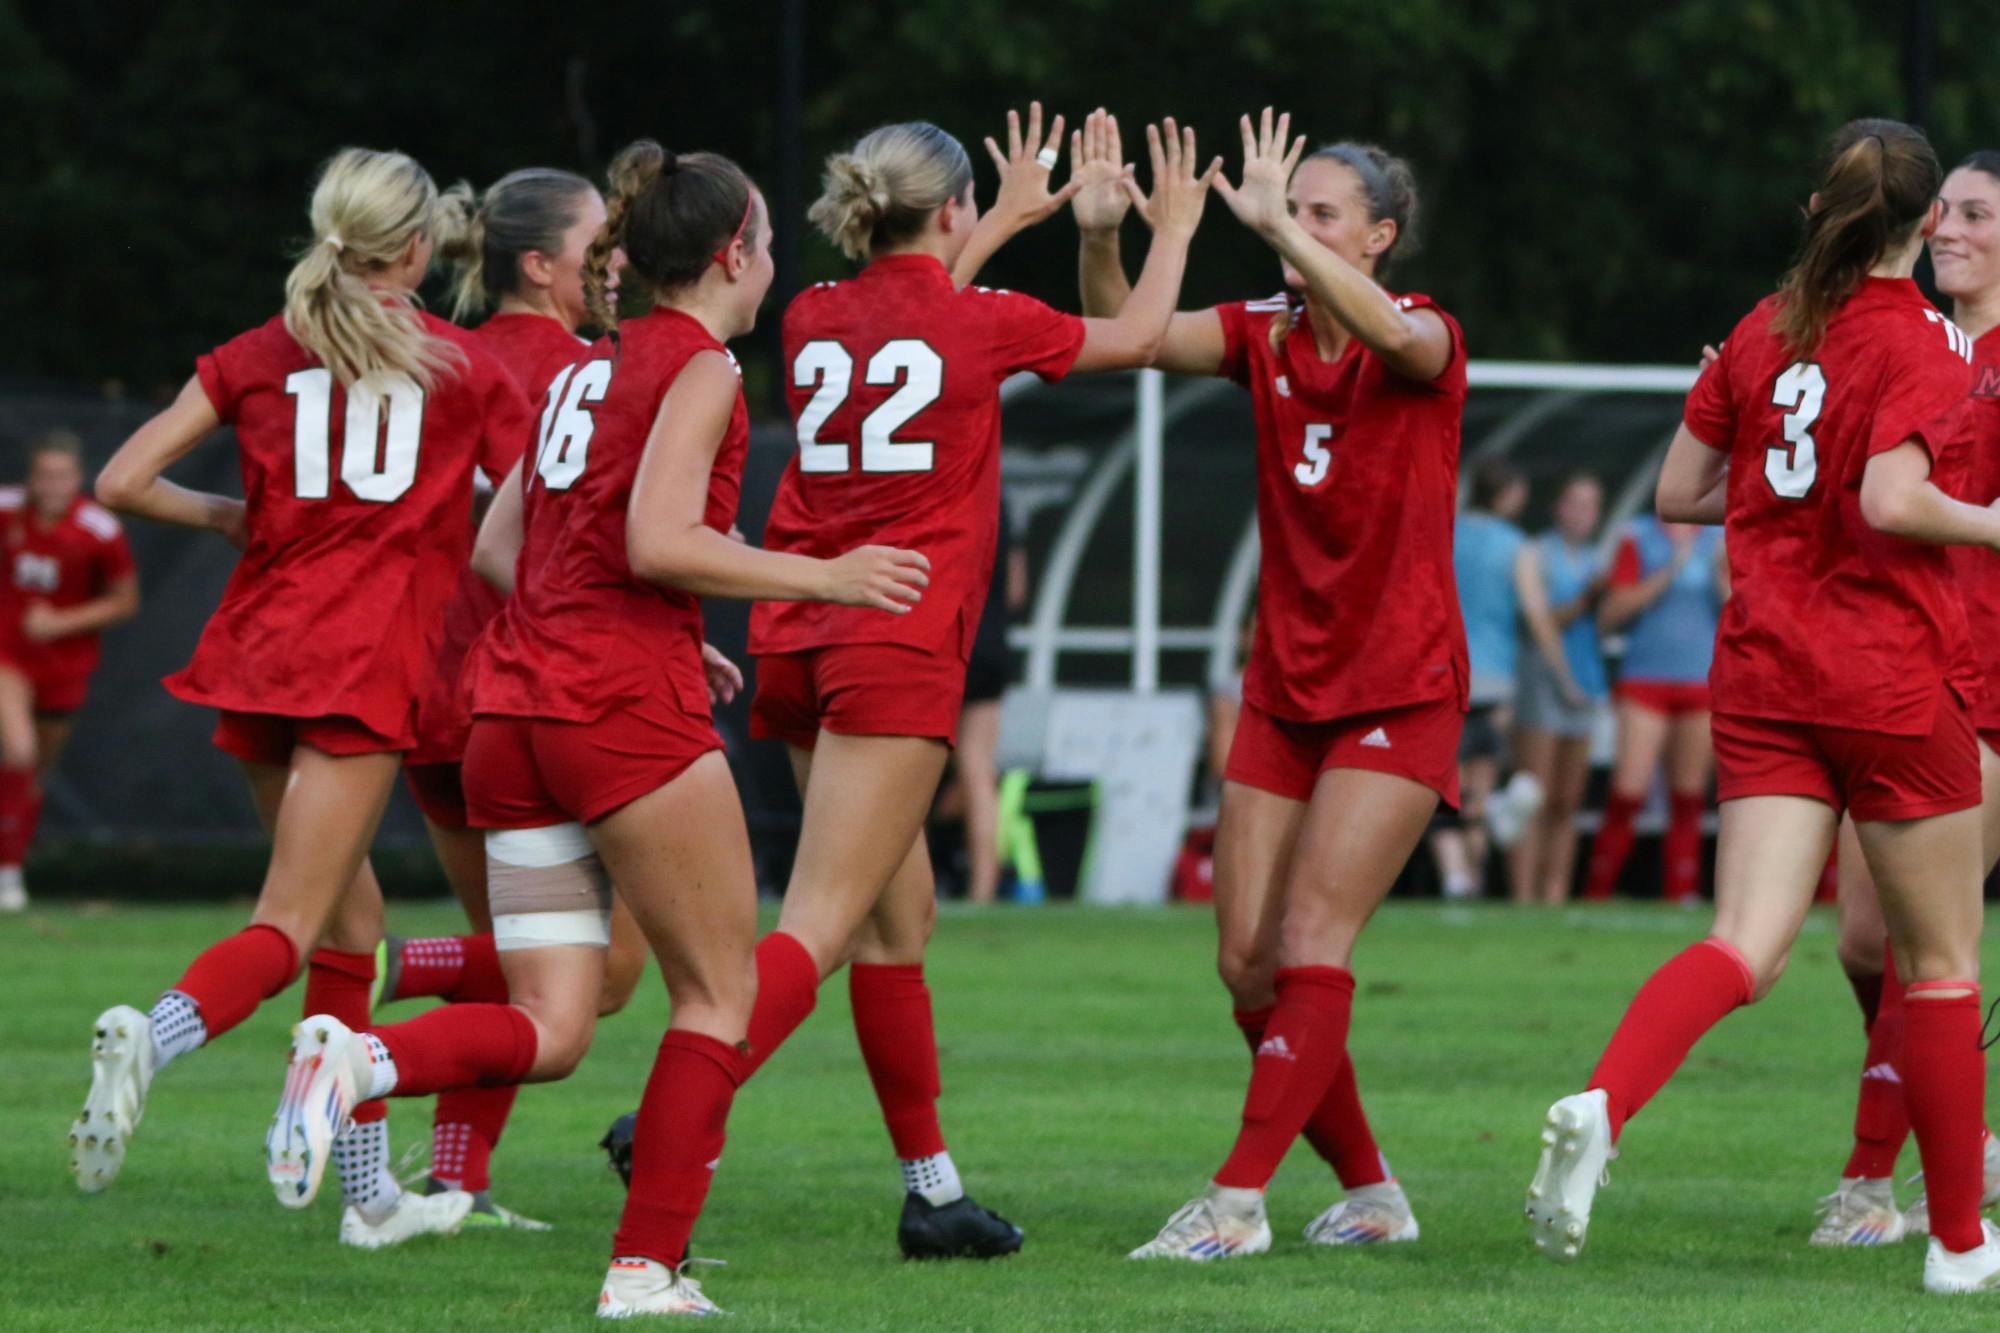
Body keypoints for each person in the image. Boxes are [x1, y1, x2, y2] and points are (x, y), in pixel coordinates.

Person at [267, 139, 931, 1317]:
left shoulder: (586, 368)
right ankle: (643, 1269)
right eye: (768, 238)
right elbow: (657, 544)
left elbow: (500, 549)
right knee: (718, 995)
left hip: (510, 713)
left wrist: (646, 618)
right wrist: (825, 577)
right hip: (616, 711)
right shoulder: (704, 368)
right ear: (732, 253)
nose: (774, 258)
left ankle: (358, 1059)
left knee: (554, 1022)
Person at [1524, 118, 2000, 1295]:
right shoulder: (1927, 342)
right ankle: (1954, 1245)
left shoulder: (1762, 326)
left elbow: (1679, 491)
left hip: (1760, 676)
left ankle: (1606, 1099)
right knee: (1938, 965)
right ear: (1924, 220)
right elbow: (1894, 502)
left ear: (1818, 209)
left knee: (1743, 943)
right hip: (1887, 678)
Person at [730, 104, 1213, 1259]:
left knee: (900, 926)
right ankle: (679, 1094)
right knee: (824, 920)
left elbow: (920, 308)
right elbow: (1140, 335)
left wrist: (990, 221)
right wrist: (1175, 226)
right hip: (891, 637)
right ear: (947, 212)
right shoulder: (981, 320)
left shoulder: (808, 313)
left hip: (801, 627)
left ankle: (932, 1192)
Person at [72, 147, 529, 1252]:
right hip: (362, 664)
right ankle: (156, 1035)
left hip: (258, 648)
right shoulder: (464, 365)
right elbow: (527, 523)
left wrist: (229, 518)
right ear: (418, 249)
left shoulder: (263, 350)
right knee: (288, 920)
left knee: (348, 925)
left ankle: (368, 1196)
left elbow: (120, 481)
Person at [1079, 109, 1466, 1259]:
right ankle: (1371, 1192)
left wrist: (1277, 240)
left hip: (1397, 685)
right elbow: (1125, 334)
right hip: (1283, 685)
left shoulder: (1426, 331)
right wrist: (1104, 239)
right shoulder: (1262, 327)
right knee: (1244, 958)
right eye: (1287, 208)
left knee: (1309, 935)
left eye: (1318, 213)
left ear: (1378, 237)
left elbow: (1401, 343)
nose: (1288, 226)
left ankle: (1235, 1201)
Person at [357, 166, 646, 1230]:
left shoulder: (440, 358)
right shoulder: (591, 372)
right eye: (595, 243)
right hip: (535, 693)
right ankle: (387, 973)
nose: (613, 261)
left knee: (521, 965)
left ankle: (454, 1182)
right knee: (603, 973)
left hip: (426, 690)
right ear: (539, 264)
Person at [1810, 147, 2000, 1248]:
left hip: (1988, 680)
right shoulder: (1899, 343)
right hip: (1892, 666)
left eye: (1975, 214)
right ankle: (1959, 1141)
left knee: (1920, 937)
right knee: (1864, 945)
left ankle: (1868, 1182)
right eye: (1942, 214)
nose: (1948, 230)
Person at [0, 431, 139, 911]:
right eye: (43, 475)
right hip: (9, 656)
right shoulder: (8, 510)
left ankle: (11, 863)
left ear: (77, 479)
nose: (51, 485)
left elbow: (125, 600)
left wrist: (63, 621)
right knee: (17, 749)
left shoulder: (99, 530)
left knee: (35, 770)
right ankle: (8, 876)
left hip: (65, 666)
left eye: (61, 476)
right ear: (31, 478)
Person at [1579, 515, 1726, 903]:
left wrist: (1720, 578)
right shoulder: (1639, 537)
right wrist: (1668, 572)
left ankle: (1682, 892)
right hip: (1645, 680)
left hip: (1700, 682)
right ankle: (1597, 894)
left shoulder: (1722, 537)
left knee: (1689, 796)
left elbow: (1741, 607)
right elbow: (1610, 615)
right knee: (1629, 790)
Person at [1508, 471, 1608, 905]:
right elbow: (1541, 622)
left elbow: (1605, 623)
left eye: (1592, 505)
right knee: (1534, 795)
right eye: (1577, 503)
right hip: (1543, 684)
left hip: (1587, 683)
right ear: (1558, 507)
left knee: (1569, 800)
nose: (1585, 514)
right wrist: (1586, 601)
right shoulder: (1537, 554)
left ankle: (1555, 895)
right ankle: (1523, 894)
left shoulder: (1597, 560)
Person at [1431, 458, 1527, 899]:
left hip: (1444, 674)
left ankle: (1456, 876)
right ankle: (1474, 871)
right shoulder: (1514, 544)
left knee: (1445, 780)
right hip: (1493, 679)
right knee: (1481, 787)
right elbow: (1535, 612)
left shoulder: (1448, 532)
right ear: (1506, 494)